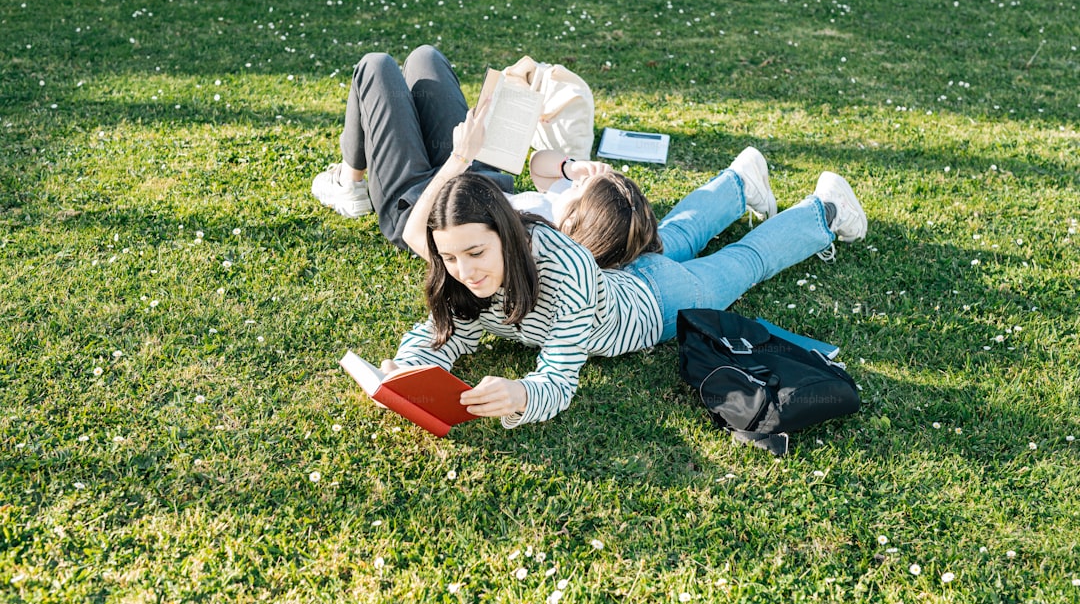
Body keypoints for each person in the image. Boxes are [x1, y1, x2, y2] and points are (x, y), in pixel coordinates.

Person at [378, 103, 868, 428]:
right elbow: (446, 331)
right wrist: (410, 369)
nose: (464, 270)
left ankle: (825, 209)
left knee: (743, 263)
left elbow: (557, 380)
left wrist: (519, 395)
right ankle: (740, 179)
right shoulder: (465, 269)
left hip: (655, 302)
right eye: (450, 257)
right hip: (618, 273)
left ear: (507, 237)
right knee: (672, 235)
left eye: (476, 254)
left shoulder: (562, 269)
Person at [311, 44, 614, 251]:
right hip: (478, 173)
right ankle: (416, 139)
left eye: (583, 192)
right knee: (426, 58)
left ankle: (350, 186)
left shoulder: (544, 244)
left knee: (375, 67)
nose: (582, 187)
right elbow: (539, 166)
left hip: (422, 206)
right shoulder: (564, 207)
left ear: (578, 222)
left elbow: (420, 236)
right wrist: (570, 168)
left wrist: (461, 156)